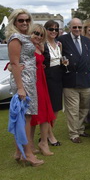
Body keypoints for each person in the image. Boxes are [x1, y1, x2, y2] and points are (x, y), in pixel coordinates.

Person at [6, 8, 44, 166]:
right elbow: (14, 63)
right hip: (23, 82)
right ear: (14, 22)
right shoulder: (15, 37)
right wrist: (20, 88)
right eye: (21, 20)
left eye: (27, 20)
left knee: (23, 117)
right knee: (25, 118)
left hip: (29, 79)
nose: (24, 23)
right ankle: (28, 154)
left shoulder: (25, 37)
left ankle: (18, 152)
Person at [57, 18, 90, 143]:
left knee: (84, 108)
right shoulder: (62, 40)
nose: (77, 29)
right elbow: (55, 56)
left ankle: (81, 129)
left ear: (82, 28)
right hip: (70, 81)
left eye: (79, 27)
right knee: (73, 110)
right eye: (74, 27)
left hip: (85, 81)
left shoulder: (87, 41)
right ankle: (74, 134)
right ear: (70, 28)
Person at [29, 24, 56, 156]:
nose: (38, 36)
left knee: (45, 112)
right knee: (33, 114)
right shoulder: (26, 47)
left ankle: (43, 142)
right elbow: (14, 63)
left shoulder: (39, 47)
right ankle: (31, 144)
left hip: (42, 81)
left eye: (41, 35)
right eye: (36, 33)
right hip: (33, 84)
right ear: (30, 32)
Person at [43, 20, 63, 146]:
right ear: (46, 30)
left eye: (56, 29)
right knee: (47, 108)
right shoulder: (42, 45)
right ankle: (50, 136)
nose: (54, 32)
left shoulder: (59, 44)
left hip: (58, 77)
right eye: (51, 29)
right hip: (47, 78)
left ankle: (47, 134)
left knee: (56, 108)